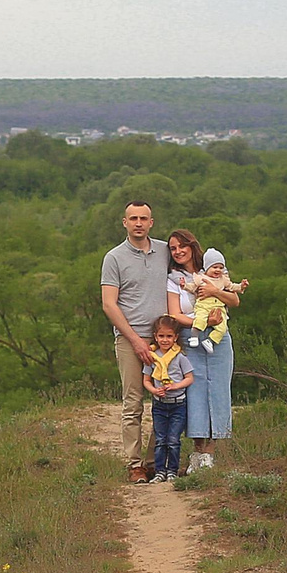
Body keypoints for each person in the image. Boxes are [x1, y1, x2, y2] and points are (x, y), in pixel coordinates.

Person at [99, 200, 170, 483]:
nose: (138, 223)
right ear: (124, 222)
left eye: (144, 218)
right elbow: (109, 304)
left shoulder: (165, 251)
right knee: (133, 403)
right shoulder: (114, 258)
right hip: (130, 340)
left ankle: (156, 461)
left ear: (151, 222)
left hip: (164, 340)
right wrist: (135, 341)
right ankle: (134, 464)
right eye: (133, 218)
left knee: (164, 401)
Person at [181, 247, 242, 473]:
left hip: (218, 336)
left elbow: (234, 300)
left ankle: (211, 451)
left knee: (219, 389)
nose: (179, 252)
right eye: (174, 248)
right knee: (194, 392)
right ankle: (197, 451)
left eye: (183, 248)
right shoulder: (177, 278)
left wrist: (214, 292)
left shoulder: (217, 276)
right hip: (192, 336)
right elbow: (172, 312)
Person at [142, 316, 195, 481]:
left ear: (176, 337)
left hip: (177, 404)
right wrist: (154, 391)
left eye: (169, 336)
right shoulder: (152, 358)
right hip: (159, 405)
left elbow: (189, 378)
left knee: (173, 440)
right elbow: (146, 380)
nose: (165, 340)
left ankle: (172, 470)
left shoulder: (180, 357)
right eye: (162, 336)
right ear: (156, 337)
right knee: (160, 439)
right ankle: (159, 471)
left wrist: (176, 386)